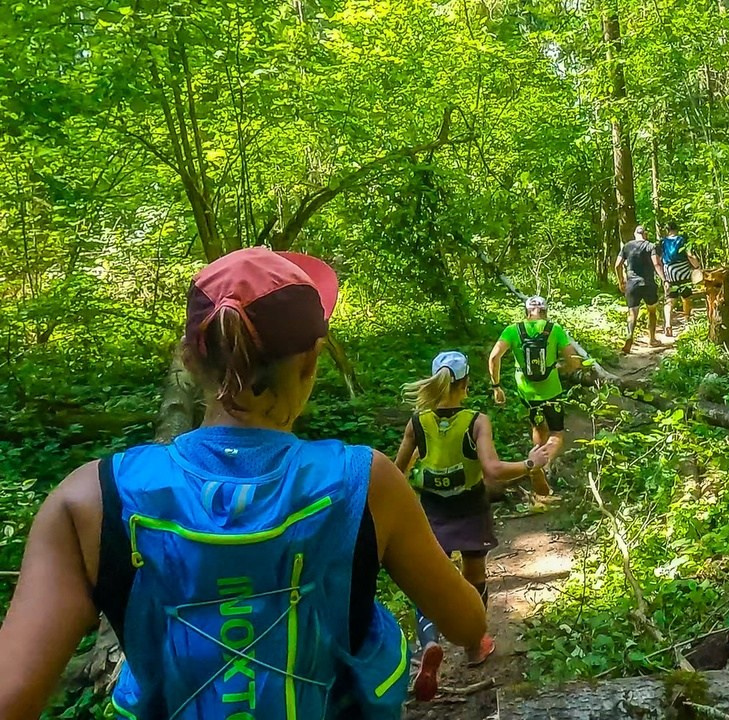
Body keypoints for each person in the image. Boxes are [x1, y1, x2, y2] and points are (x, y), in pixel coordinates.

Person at [0, 247, 487, 720]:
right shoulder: (365, 481)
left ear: (190, 362)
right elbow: (467, 623)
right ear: (310, 363)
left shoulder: (88, 499)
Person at [394, 350, 550, 698]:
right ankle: (474, 645)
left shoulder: (418, 422)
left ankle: (427, 646)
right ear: (465, 383)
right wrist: (530, 463)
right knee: (474, 575)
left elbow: (397, 472)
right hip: (470, 508)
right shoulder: (476, 420)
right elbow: (493, 470)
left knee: (429, 580)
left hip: (432, 510)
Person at [488, 296, 581, 498]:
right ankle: (543, 465)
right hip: (552, 391)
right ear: (545, 311)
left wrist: (496, 386)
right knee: (556, 432)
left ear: (526, 311)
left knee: (538, 426)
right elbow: (574, 360)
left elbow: (494, 356)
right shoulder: (554, 329)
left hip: (527, 392)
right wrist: (564, 369)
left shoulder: (513, 330)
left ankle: (537, 456)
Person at [615, 225, 666, 354]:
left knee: (632, 313)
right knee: (652, 311)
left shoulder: (627, 246)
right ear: (646, 234)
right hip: (648, 284)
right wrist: (665, 280)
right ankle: (652, 339)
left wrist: (621, 280)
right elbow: (656, 264)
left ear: (634, 234)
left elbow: (617, 265)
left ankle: (629, 336)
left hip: (632, 284)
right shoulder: (650, 246)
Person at [659, 222, 701, 336]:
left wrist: (663, 277)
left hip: (670, 273)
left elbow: (660, 259)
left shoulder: (662, 242)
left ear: (667, 230)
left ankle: (668, 324)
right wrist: (697, 266)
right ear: (677, 229)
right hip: (683, 273)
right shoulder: (682, 240)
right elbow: (689, 255)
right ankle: (687, 322)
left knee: (670, 300)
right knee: (686, 298)